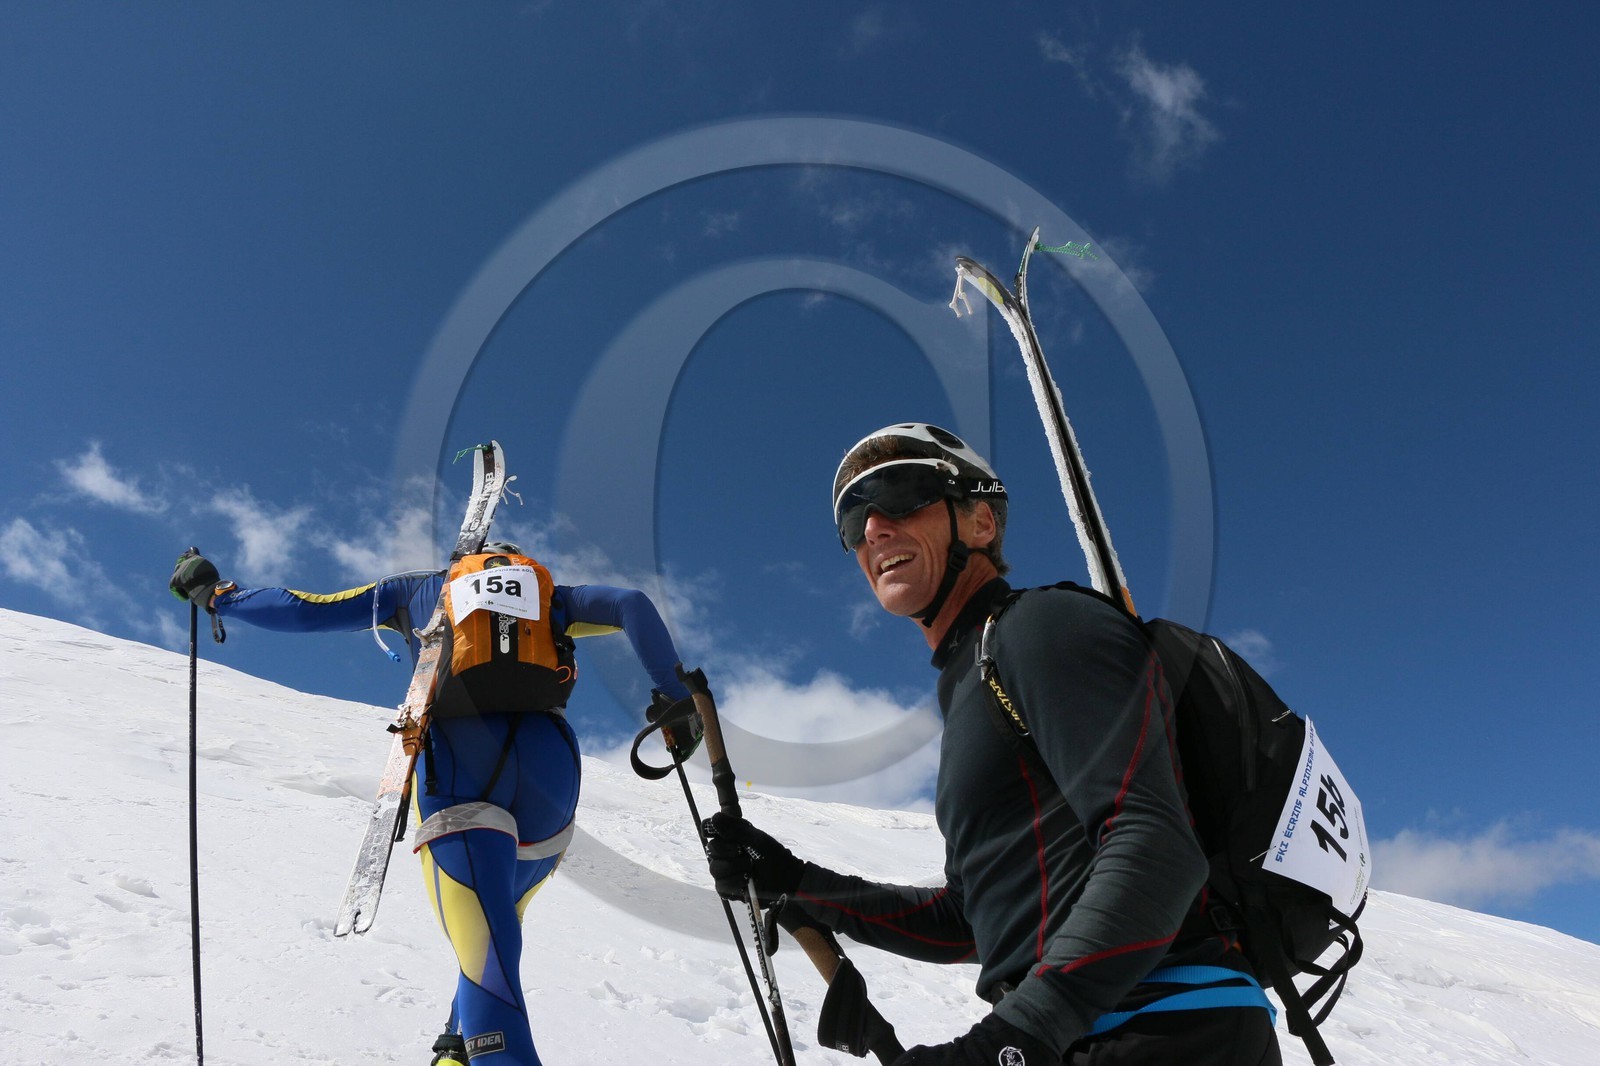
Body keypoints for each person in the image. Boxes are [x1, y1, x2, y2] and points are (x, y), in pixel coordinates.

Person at [703, 424, 1281, 1065]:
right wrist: (798, 883)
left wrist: (1008, 1043)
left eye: (898, 493)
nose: (872, 529)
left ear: (980, 522)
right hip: (1087, 1031)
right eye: (853, 520)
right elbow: (971, 922)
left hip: (1162, 1027)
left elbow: (1159, 846)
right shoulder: (971, 682)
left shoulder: (1042, 627)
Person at [171, 541, 701, 1066]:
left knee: (485, 947)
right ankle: (454, 1049)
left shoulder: (417, 591)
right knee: (497, 926)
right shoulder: (550, 599)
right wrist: (675, 697)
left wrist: (220, 596)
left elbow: (309, 612)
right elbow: (632, 603)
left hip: (460, 764)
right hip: (551, 770)